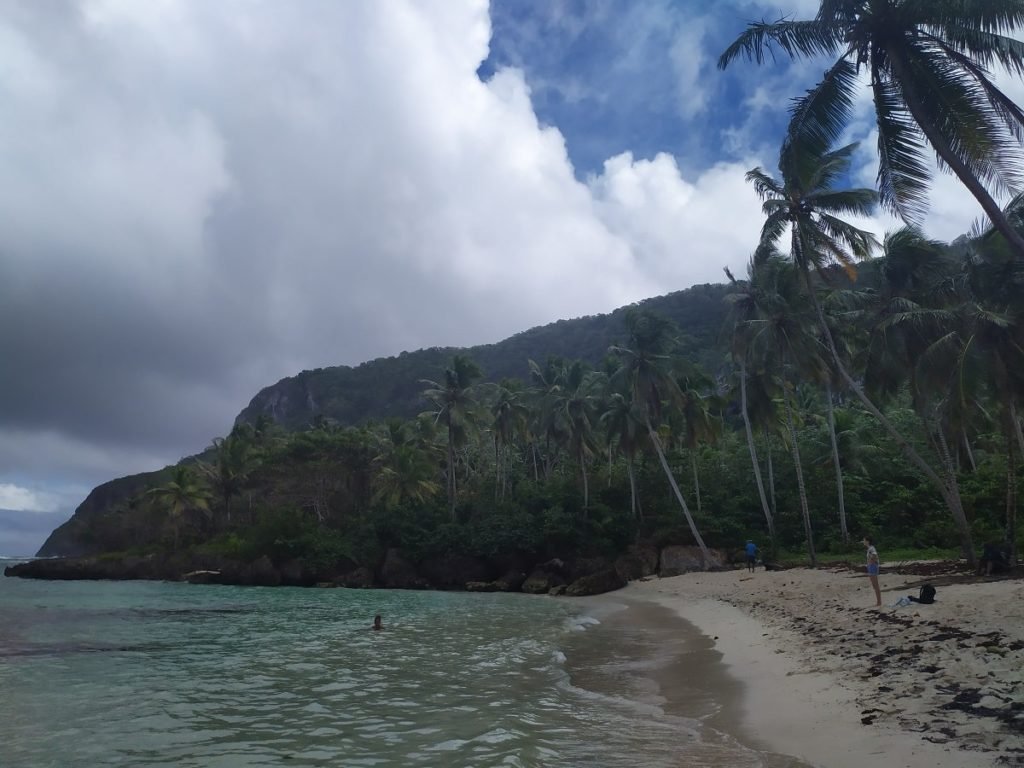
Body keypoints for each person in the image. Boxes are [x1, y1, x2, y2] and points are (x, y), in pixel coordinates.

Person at [863, 536, 881, 607]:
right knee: (874, 585)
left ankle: (879, 602)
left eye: (864, 540)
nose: (863, 542)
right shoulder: (869, 549)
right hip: (871, 567)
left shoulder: (871, 548)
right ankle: (878, 601)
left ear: (868, 541)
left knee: (876, 585)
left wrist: (871, 562)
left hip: (873, 567)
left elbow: (875, 556)